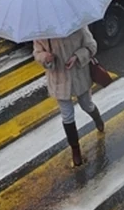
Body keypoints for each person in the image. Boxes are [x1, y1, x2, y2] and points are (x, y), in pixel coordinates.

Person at [33, 28, 104, 167]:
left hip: (79, 75)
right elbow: (37, 53)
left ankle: (97, 117)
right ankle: (75, 150)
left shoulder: (77, 24)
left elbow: (91, 46)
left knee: (86, 105)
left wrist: (77, 57)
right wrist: (45, 57)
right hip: (59, 79)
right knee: (67, 115)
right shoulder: (41, 31)